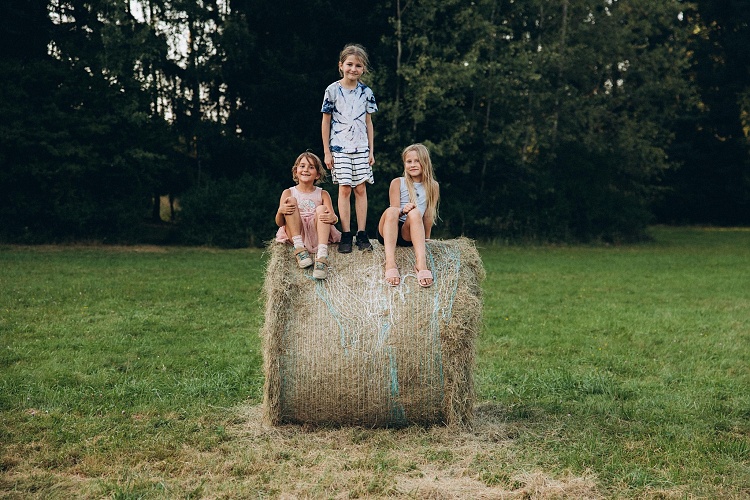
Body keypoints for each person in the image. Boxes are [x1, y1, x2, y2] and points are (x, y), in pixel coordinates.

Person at [321, 43, 377, 253]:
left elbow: (368, 122)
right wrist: (327, 152)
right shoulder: (332, 90)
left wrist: (371, 150)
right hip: (339, 148)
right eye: (350, 64)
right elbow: (326, 122)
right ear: (341, 65)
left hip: (361, 148)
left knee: (360, 189)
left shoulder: (366, 92)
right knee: (344, 189)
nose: (353, 69)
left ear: (363, 69)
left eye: (358, 66)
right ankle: (346, 234)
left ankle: (361, 233)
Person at [377, 143, 440, 288]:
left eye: (417, 161)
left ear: (425, 162)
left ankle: (421, 264)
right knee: (392, 210)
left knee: (415, 212)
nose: (412, 165)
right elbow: (393, 212)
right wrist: (402, 210)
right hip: (389, 229)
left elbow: (428, 215)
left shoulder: (433, 186)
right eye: (408, 161)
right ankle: (390, 263)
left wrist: (426, 237)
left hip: (409, 232)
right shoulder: (397, 182)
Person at [275, 151, 341, 280]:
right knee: (291, 202)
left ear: (318, 174)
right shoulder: (288, 192)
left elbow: (332, 217)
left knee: (322, 209)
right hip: (296, 234)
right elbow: (280, 223)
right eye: (302, 166)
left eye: (311, 167)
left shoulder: (323, 194)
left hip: (317, 234)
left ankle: (322, 256)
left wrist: (334, 218)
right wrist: (280, 211)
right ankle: (300, 249)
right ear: (296, 171)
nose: (306, 170)